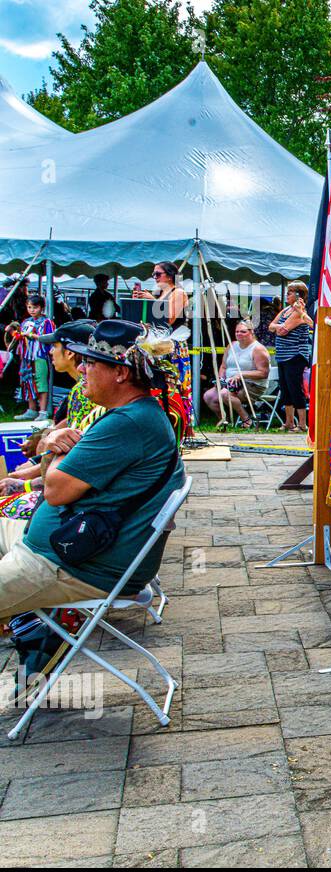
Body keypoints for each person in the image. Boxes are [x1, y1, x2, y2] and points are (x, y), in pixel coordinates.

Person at [0, 319, 185, 619]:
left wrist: (54, 443)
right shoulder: (137, 415)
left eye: (90, 362)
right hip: (68, 550)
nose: (82, 370)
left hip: (71, 566)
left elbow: (55, 490)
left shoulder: (127, 423)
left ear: (121, 373)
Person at [0, 321, 101, 519]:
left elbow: (72, 454)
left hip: (70, 505)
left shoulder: (84, 392)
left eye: (54, 347)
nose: (50, 353)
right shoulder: (80, 391)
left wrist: (27, 479)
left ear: (70, 353)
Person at [134, 261, 193, 435]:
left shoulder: (178, 292)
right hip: (159, 345)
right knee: (161, 384)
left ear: (169, 275)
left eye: (157, 274)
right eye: (153, 274)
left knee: (177, 383)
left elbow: (170, 318)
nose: (155, 278)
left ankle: (184, 427)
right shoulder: (163, 294)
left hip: (172, 346)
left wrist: (152, 301)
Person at [202, 320, 269, 428]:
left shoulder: (258, 349)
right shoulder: (231, 345)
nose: (239, 334)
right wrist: (220, 379)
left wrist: (241, 375)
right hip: (229, 382)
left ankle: (246, 419)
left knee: (224, 393)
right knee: (208, 396)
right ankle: (225, 421)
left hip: (251, 385)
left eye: (243, 332)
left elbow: (263, 373)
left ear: (251, 332)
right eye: (237, 332)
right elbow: (223, 366)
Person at [268, 281, 313, 433]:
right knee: (285, 389)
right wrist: (277, 327)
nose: (287, 295)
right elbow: (271, 326)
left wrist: (278, 328)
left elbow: (282, 330)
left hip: (295, 356)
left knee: (295, 389)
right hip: (282, 355)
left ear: (299, 295)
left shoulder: (300, 313)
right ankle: (288, 422)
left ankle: (302, 424)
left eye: (290, 292)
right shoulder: (286, 310)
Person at [9, 294, 54, 421]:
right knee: (27, 380)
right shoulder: (26, 322)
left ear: (41, 308)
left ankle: (43, 411)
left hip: (40, 356)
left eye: (35, 307)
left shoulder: (47, 322)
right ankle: (31, 409)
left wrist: (33, 336)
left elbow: (50, 338)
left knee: (41, 381)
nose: (32, 310)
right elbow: (19, 336)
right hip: (26, 357)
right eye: (29, 307)